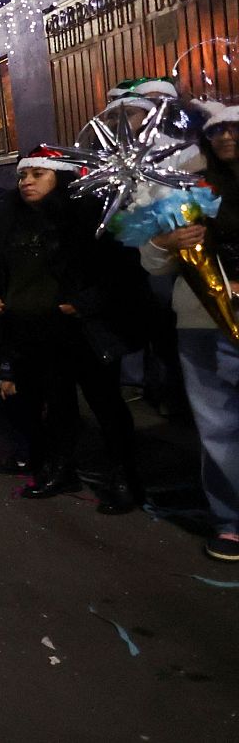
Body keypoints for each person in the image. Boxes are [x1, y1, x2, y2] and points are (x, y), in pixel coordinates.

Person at [0, 146, 143, 513]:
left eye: (38, 174)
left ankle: (124, 478)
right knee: (57, 405)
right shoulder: (10, 220)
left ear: (60, 177)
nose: (27, 181)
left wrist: (84, 303)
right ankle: (61, 468)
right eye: (23, 175)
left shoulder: (86, 217)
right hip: (33, 330)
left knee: (105, 404)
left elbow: (121, 269)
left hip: (83, 330)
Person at [143, 105, 239, 560]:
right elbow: (153, 262)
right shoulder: (190, 190)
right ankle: (230, 521)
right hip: (202, 320)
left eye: (234, 128)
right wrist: (164, 242)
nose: (226, 137)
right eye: (217, 130)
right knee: (218, 427)